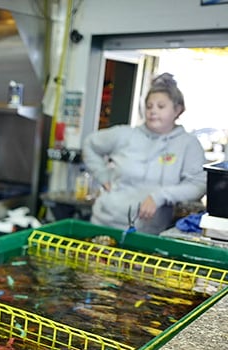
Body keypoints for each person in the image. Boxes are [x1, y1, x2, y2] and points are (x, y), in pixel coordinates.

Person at [82, 72, 206, 234]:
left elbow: (198, 184)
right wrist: (103, 176)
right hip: (104, 222)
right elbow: (89, 144)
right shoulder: (125, 134)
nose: (153, 111)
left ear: (178, 110)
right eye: (149, 106)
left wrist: (159, 196)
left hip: (149, 231)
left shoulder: (188, 145)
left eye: (161, 106)